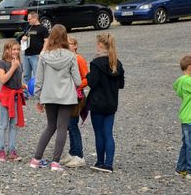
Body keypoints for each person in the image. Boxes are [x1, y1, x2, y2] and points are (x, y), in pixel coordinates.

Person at [29, 24, 81, 172]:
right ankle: (55, 163)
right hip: (66, 97)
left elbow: (38, 80)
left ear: (51, 36)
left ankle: (36, 159)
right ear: (65, 37)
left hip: (48, 96)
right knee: (62, 128)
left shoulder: (44, 56)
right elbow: (77, 81)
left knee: (50, 126)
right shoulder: (71, 56)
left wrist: (38, 99)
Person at [86, 33, 125, 173]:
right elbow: (121, 84)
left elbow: (92, 83)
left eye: (97, 43)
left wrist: (88, 75)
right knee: (108, 133)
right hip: (111, 103)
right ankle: (109, 164)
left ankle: (100, 161)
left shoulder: (96, 63)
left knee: (99, 133)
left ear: (101, 45)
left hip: (97, 103)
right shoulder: (117, 63)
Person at [60, 36, 89, 168]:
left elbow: (86, 77)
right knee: (69, 126)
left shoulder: (79, 59)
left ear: (75, 46)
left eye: (70, 44)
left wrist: (77, 85)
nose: (68, 46)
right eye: (66, 44)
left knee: (73, 125)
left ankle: (79, 155)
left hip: (76, 96)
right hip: (67, 95)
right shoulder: (65, 59)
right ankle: (73, 152)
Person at [0, 41, 26, 162]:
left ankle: (12, 150)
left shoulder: (19, 63)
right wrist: (13, 67)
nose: (16, 52)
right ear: (7, 50)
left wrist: (24, 86)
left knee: (14, 125)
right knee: (3, 124)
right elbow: (3, 80)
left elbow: (17, 80)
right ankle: (1, 150)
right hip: (6, 96)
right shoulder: (2, 63)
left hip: (16, 96)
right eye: (13, 49)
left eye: (18, 49)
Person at [19, 12, 49, 98]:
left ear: (35, 18)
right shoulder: (29, 27)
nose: (28, 21)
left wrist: (42, 52)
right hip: (27, 54)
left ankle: (37, 92)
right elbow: (24, 37)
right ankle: (25, 93)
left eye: (30, 19)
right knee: (26, 75)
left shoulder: (43, 28)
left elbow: (46, 41)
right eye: (28, 19)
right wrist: (23, 38)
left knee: (37, 75)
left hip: (36, 55)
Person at [174, 55, 191, 179]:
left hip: (185, 117)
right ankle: (189, 170)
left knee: (186, 144)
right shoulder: (187, 81)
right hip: (190, 117)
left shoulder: (180, 81)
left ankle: (181, 168)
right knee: (189, 145)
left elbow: (177, 89)